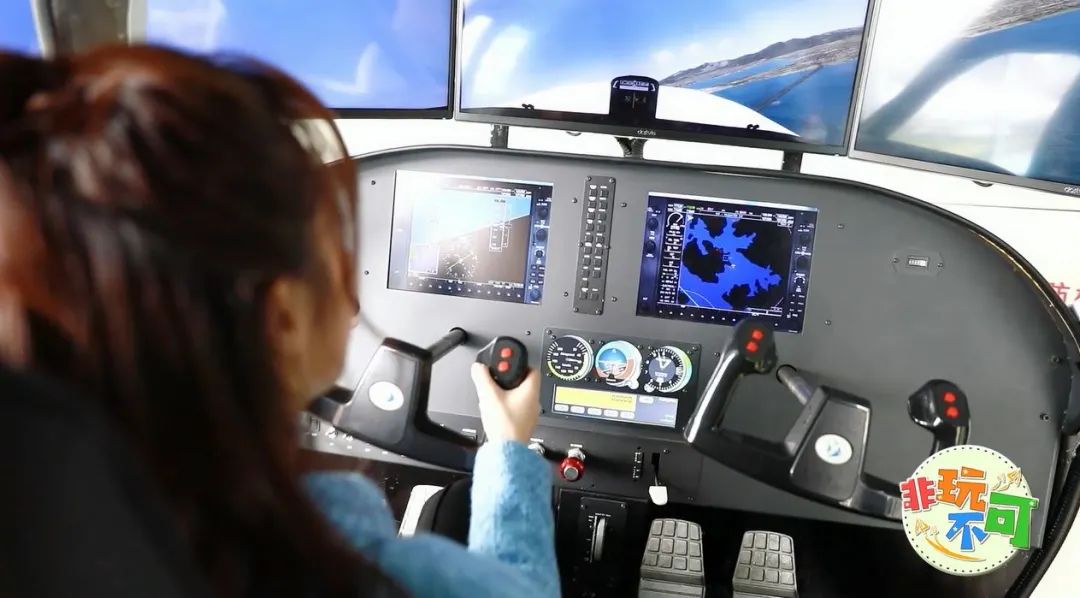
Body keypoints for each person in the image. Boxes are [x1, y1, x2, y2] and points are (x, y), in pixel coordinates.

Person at [0, 46, 559, 598]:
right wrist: (508, 450)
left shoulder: (59, 537)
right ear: (283, 320)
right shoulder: (370, 574)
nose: (353, 306)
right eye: (336, 260)